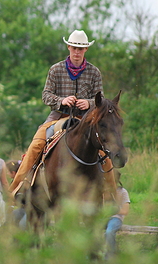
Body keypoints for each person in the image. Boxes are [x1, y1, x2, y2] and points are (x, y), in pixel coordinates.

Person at [10, 30, 103, 194]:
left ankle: (111, 191)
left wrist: (88, 103)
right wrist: (62, 101)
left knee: (103, 148)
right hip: (58, 116)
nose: (77, 52)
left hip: (85, 120)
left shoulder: (94, 72)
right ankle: (19, 186)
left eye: (80, 49)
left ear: (86, 50)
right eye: (74, 47)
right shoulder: (56, 69)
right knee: (36, 144)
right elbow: (45, 96)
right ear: (68, 47)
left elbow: (100, 98)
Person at [105, 171, 130, 259]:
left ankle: (110, 258)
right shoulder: (103, 191)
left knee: (109, 232)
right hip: (103, 217)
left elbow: (125, 210)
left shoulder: (122, 192)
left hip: (116, 218)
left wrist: (113, 211)